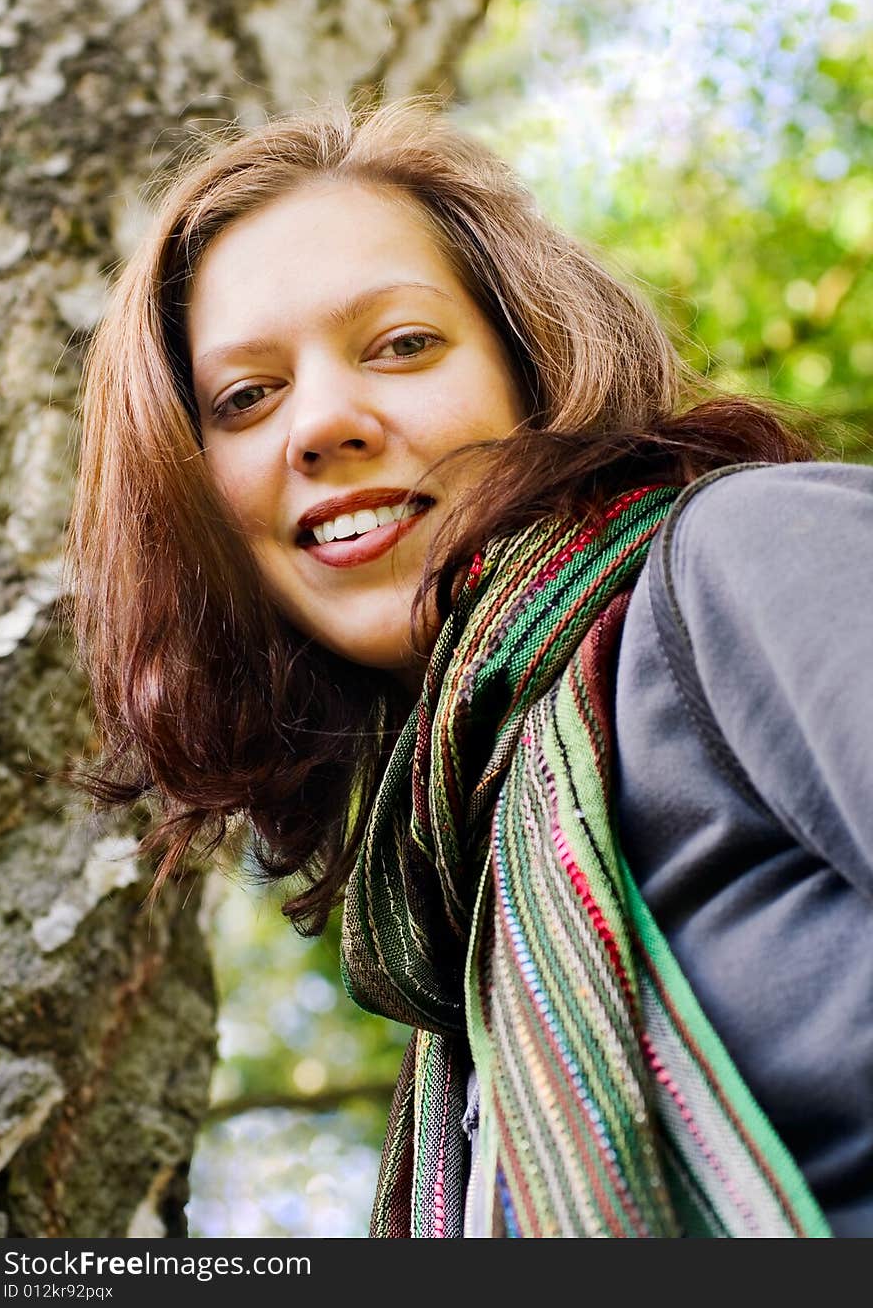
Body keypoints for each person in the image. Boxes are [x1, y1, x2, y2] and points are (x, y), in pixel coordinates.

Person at [67, 98, 872, 1239]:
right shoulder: (456, 970)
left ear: (532, 371)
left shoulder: (745, 558)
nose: (323, 422)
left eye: (401, 344)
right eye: (245, 398)